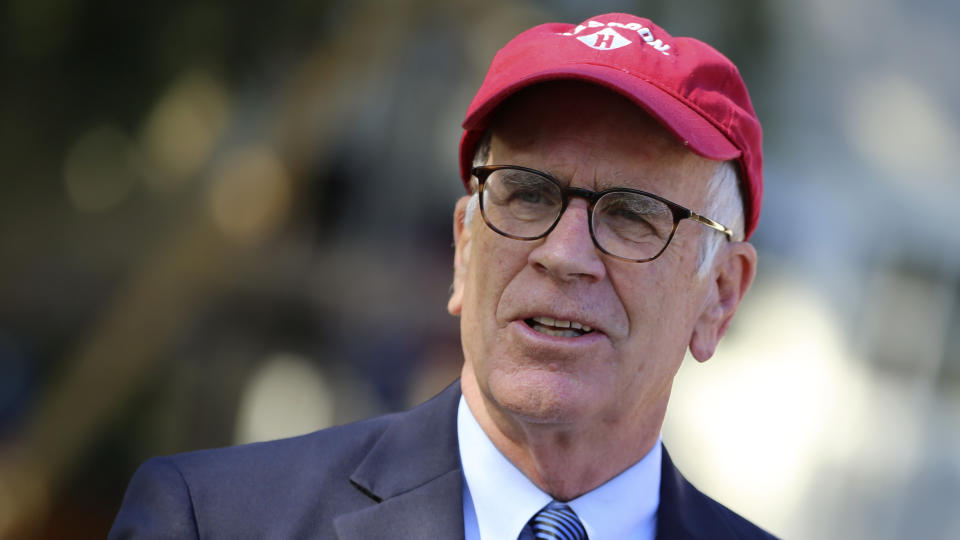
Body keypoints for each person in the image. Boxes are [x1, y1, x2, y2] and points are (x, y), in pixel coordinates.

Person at [111, 12, 775, 539]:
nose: (565, 253)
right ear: (464, 249)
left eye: (633, 214)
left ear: (719, 295)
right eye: (528, 194)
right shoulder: (212, 522)